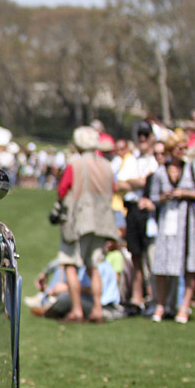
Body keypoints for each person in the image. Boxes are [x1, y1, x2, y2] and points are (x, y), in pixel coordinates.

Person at [55, 125, 119, 323]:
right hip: (104, 220)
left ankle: (76, 310)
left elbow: (62, 189)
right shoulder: (107, 165)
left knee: (70, 263)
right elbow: (114, 188)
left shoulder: (76, 164)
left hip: (80, 220)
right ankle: (98, 309)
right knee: (94, 265)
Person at [143, 155, 195, 323]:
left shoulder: (191, 168)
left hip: (188, 224)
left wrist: (185, 193)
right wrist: (164, 196)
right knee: (161, 264)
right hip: (166, 222)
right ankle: (161, 304)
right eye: (178, 148)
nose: (183, 151)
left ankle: (183, 306)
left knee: (189, 265)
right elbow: (153, 198)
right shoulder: (160, 172)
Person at [114, 121, 160, 310]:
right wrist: (139, 182)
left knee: (152, 257)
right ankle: (137, 298)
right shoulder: (132, 159)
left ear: (152, 137)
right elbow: (120, 185)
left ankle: (156, 298)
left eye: (145, 135)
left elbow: (147, 181)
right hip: (132, 210)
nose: (142, 138)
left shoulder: (156, 159)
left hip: (150, 212)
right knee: (136, 257)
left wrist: (134, 182)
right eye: (139, 135)